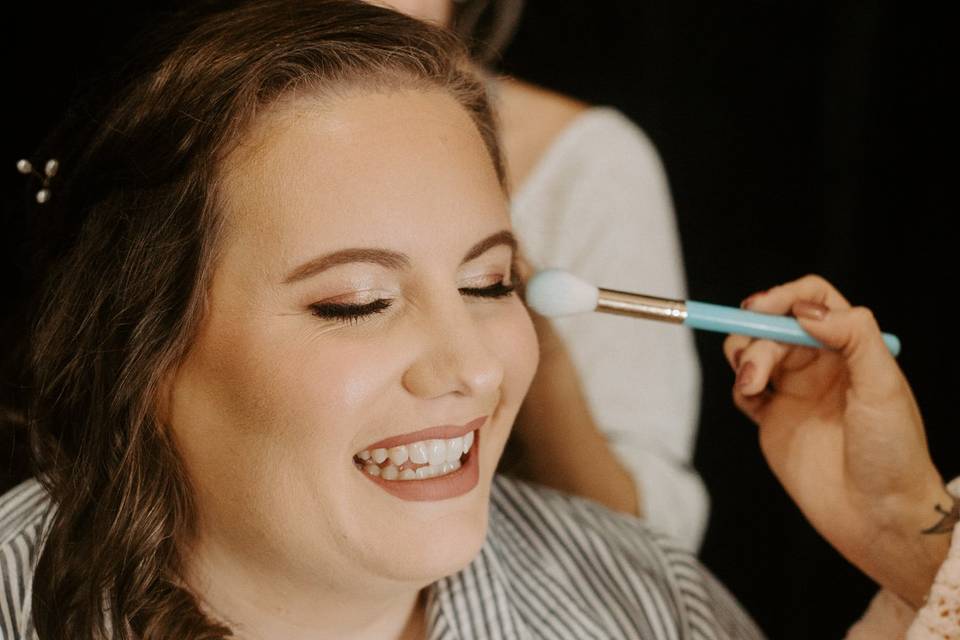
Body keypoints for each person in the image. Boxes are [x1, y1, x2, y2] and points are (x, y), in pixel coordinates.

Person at [0, 1, 956, 638]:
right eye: (356, 303)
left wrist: (908, 537)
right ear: (141, 347)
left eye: (491, 283)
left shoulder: (645, 598)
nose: (469, 367)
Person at [373, 0, 708, 549]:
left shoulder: (589, 167)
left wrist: (541, 355)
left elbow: (652, 547)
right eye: (350, 301)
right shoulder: (202, 137)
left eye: (485, 285)